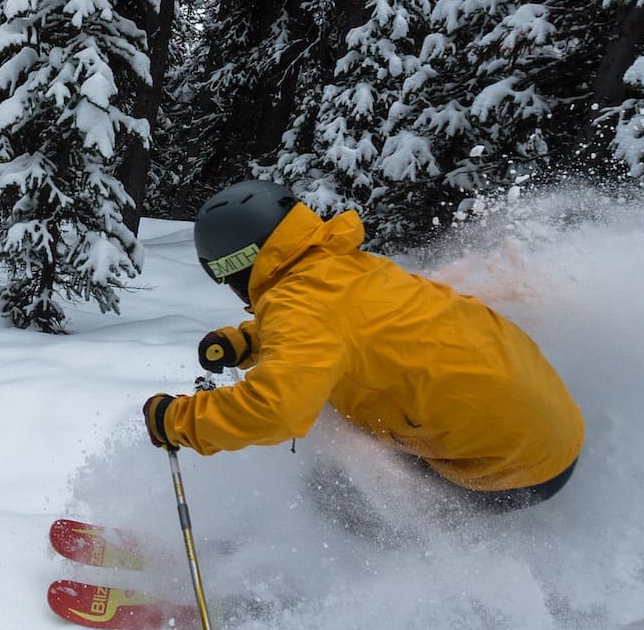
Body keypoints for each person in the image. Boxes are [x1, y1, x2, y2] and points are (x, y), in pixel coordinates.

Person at [141, 179, 583, 514]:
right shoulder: (345, 265)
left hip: (512, 468)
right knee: (349, 435)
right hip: (553, 429)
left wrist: (179, 420)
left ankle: (375, 589)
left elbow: (276, 410)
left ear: (233, 268)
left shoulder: (301, 305)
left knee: (335, 490)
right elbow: (343, 326)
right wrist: (247, 341)